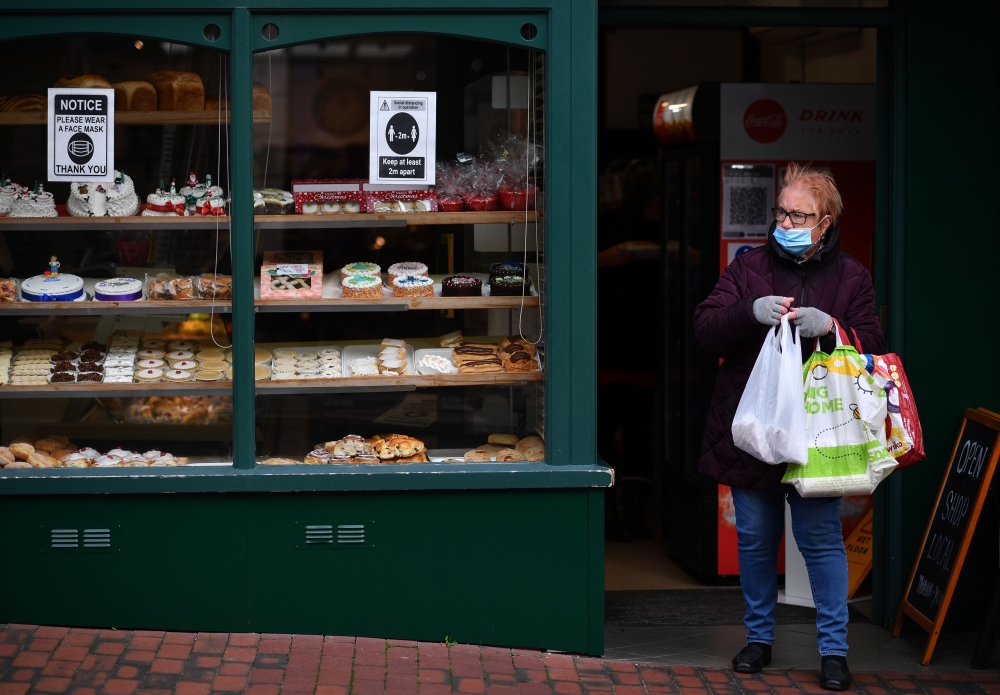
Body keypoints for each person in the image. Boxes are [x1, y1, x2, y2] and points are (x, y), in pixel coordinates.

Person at [693, 163, 884, 691]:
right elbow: (705, 329)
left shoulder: (852, 276)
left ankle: (834, 652)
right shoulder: (748, 268)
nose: (785, 222)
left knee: (820, 540)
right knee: (756, 538)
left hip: (819, 431)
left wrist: (833, 328)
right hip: (755, 426)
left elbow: (872, 345)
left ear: (825, 223)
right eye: (781, 212)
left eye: (798, 215)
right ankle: (758, 639)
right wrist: (748, 312)